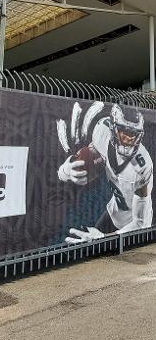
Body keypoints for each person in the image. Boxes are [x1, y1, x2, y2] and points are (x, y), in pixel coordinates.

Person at [57, 103, 153, 243]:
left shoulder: (142, 167)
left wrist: (104, 238)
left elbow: (141, 224)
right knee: (90, 247)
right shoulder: (102, 131)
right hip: (114, 210)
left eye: (133, 134)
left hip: (134, 224)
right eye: (124, 132)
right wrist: (66, 170)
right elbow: (93, 157)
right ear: (113, 128)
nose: (128, 140)